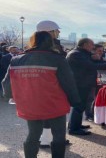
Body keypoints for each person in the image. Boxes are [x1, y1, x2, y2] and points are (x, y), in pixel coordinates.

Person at [2, 31, 80, 158]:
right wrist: (75, 101)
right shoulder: (58, 59)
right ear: (50, 42)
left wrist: (10, 97)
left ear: (32, 42)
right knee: (59, 135)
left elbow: (6, 83)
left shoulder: (16, 60)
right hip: (55, 104)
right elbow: (69, 83)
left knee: (33, 134)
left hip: (30, 104)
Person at [67, 38, 106, 136]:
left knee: (81, 105)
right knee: (79, 106)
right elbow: (91, 65)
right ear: (85, 44)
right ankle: (74, 129)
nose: (93, 47)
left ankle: (76, 125)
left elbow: (96, 62)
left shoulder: (82, 53)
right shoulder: (76, 54)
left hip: (83, 83)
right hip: (79, 84)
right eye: (91, 45)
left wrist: (104, 62)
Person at [35, 20, 69, 148]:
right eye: (56, 30)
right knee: (47, 115)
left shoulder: (54, 44)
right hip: (48, 85)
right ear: (49, 32)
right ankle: (45, 140)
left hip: (53, 83)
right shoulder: (46, 46)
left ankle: (55, 138)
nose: (59, 32)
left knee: (55, 115)